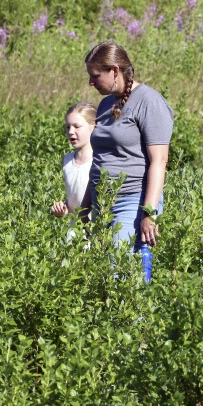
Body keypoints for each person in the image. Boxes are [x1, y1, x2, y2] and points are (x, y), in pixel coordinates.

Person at [84, 41, 173, 251]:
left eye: (95, 75)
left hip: (131, 200)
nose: (90, 82)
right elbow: (100, 158)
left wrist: (149, 213)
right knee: (102, 272)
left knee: (120, 271)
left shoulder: (149, 101)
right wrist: (85, 205)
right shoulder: (106, 103)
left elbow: (159, 161)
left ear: (115, 71)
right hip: (101, 201)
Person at [50, 101, 96, 241]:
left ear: (92, 127)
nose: (71, 131)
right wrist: (63, 208)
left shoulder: (100, 160)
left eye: (77, 126)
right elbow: (75, 197)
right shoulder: (67, 161)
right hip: (74, 233)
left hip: (96, 232)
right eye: (68, 127)